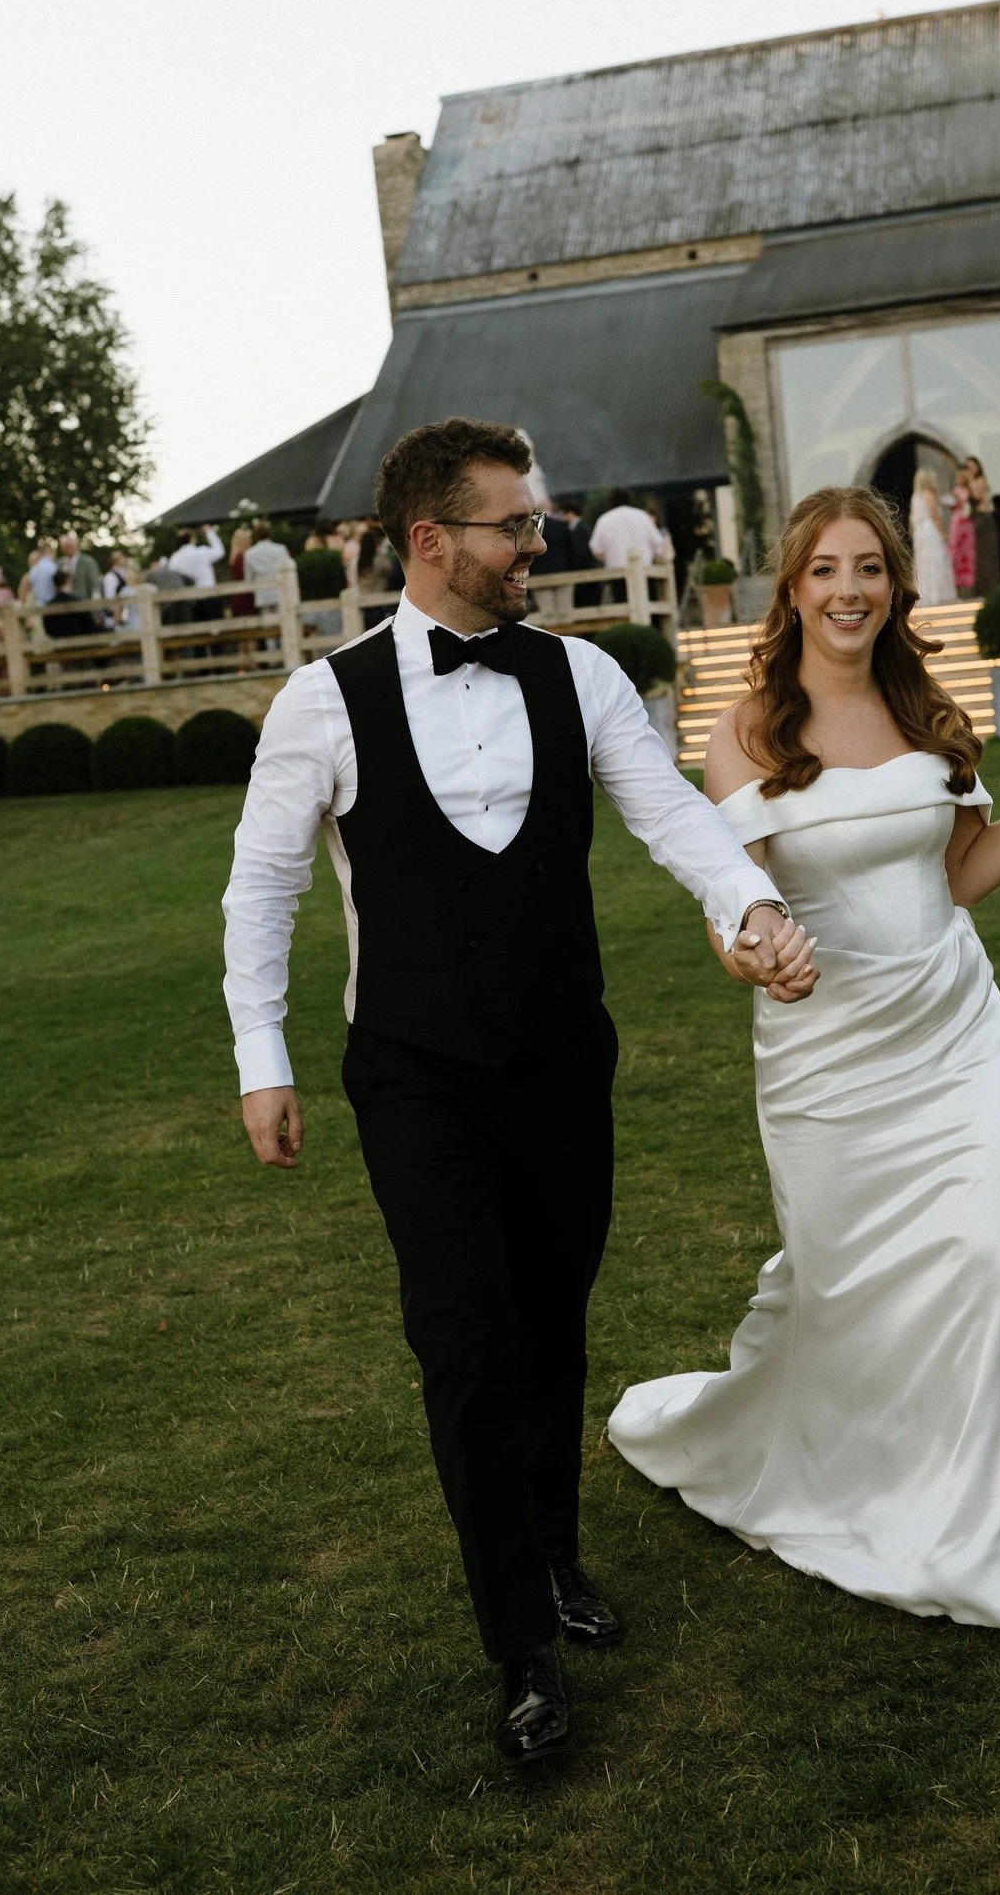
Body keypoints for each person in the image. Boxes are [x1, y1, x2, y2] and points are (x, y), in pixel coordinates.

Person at [222, 417, 815, 1767]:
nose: (535, 540)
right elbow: (264, 885)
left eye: (534, 520)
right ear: (432, 541)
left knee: (549, 1321)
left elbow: (678, 820)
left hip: (561, 1064)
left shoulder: (585, 676)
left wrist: (759, 903)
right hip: (416, 1078)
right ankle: (520, 1645)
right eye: (514, 524)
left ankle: (552, 1551)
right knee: (465, 1341)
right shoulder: (324, 698)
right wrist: (265, 1055)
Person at [610, 484, 1000, 1678]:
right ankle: (821, 1461)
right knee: (852, 1295)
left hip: (956, 1037)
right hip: (826, 1066)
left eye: (870, 569)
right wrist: (751, 947)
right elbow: (726, 898)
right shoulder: (745, 727)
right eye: (824, 570)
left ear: (897, 587)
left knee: (990, 1264)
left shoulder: (926, 706)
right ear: (792, 586)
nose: (848, 590)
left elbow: (955, 879)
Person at [907, 468, 955, 606]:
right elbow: (935, 515)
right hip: (930, 532)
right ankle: (938, 595)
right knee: (936, 559)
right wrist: (942, 533)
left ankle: (927, 594)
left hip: (920, 533)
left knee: (924, 562)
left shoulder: (915, 496)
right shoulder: (929, 494)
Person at [589, 489, 667, 570]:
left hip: (617, 573)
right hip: (644, 570)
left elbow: (595, 549)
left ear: (610, 502)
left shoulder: (603, 519)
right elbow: (658, 543)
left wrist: (611, 554)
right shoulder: (642, 516)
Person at [50, 532, 104, 638]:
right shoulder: (59, 563)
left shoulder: (88, 562)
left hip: (84, 610)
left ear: (76, 545)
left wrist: (96, 612)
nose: (68, 548)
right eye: (65, 546)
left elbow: (95, 588)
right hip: (65, 612)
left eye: (70, 545)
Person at [963, 457, 1000, 598]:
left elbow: (977, 497)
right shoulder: (969, 483)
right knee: (978, 556)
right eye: (968, 467)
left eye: (972, 467)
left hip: (984, 518)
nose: (970, 470)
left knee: (987, 555)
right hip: (977, 518)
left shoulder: (979, 481)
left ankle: (991, 587)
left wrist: (969, 482)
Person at [168, 525, 226, 594]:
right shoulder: (202, 552)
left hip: (188, 598)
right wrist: (209, 532)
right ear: (192, 539)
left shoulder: (174, 558)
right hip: (208, 594)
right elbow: (220, 552)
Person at [947, 472, 976, 596]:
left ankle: (970, 586)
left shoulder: (969, 490)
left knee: (968, 553)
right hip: (957, 524)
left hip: (967, 524)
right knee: (956, 554)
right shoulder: (955, 491)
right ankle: (958, 587)